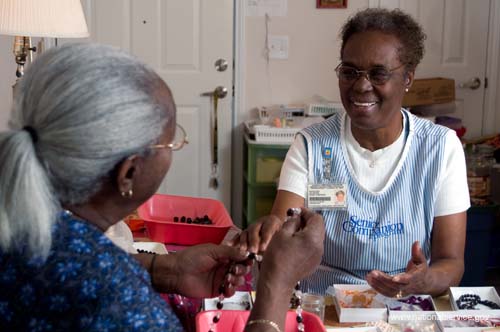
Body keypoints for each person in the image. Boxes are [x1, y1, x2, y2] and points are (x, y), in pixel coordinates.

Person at [0, 43, 325, 331]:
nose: (174, 149)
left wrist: (165, 269)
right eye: (170, 143)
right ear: (128, 173)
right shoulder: (117, 298)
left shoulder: (25, 221)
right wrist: (276, 287)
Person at [234, 8, 469, 297]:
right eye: (349, 72)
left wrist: (424, 281)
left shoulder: (440, 148)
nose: (361, 85)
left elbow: (452, 263)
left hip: (402, 309)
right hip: (321, 304)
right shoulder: (312, 145)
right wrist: (269, 233)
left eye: (379, 73)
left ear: (408, 78)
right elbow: (284, 227)